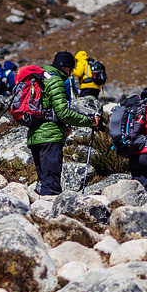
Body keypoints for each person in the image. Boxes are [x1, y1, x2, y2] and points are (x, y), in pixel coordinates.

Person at [27, 51, 99, 196]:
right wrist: (89, 121)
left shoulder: (39, 78)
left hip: (35, 135)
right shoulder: (56, 81)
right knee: (51, 186)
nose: (71, 73)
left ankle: (40, 215)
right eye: (71, 69)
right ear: (64, 66)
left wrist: (62, 127)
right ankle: (50, 217)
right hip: (50, 138)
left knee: (45, 180)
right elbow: (63, 113)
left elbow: (46, 108)